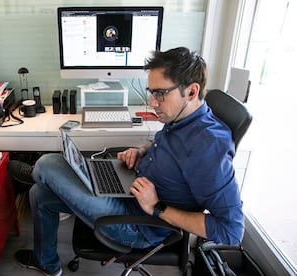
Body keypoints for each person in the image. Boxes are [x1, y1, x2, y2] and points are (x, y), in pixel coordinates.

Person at [13, 47, 244, 276]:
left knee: (47, 163)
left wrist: (157, 207)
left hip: (139, 223)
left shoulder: (209, 147)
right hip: (129, 188)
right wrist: (143, 151)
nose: (152, 103)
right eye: (151, 92)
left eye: (160, 94)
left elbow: (231, 230)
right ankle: (47, 262)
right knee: (39, 195)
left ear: (191, 92)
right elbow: (172, 150)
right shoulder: (184, 117)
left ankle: (37, 172)